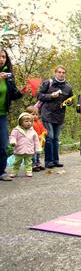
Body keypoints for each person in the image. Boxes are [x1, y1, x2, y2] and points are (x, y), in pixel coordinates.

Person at [37, 65, 73, 169]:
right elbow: (39, 95)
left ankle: (56, 160)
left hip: (60, 116)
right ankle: (49, 161)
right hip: (47, 113)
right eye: (59, 72)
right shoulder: (48, 83)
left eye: (63, 72)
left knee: (56, 138)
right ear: (55, 73)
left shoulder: (68, 87)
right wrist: (50, 96)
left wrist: (69, 102)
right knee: (50, 137)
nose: (61, 74)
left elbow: (71, 100)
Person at [0, 47, 23, 181]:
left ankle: (1, 172)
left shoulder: (8, 75)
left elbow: (13, 95)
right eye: (0, 56)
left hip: (2, 114)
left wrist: (22, 91)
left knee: (3, 144)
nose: (1, 59)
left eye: (3, 57)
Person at [9, 112, 40, 178]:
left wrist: (37, 148)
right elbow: (13, 136)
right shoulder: (16, 130)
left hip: (29, 150)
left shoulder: (33, 131)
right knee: (17, 162)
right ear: (20, 122)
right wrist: (13, 142)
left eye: (30, 121)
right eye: (26, 121)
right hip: (19, 150)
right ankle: (14, 171)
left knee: (29, 162)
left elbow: (36, 141)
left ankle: (29, 171)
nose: (29, 123)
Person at [25, 106, 47, 171]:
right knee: (33, 154)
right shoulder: (29, 123)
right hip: (32, 142)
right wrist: (37, 135)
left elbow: (43, 128)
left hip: (39, 141)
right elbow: (30, 132)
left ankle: (38, 163)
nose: (35, 116)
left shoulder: (39, 122)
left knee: (38, 153)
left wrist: (45, 132)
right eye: (33, 114)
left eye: (36, 114)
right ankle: (33, 165)